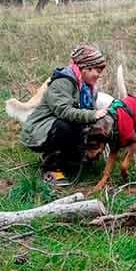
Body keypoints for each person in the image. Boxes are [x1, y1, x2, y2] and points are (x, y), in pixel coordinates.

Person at [20, 45, 107, 179]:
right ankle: (51, 168)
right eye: (97, 70)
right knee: (64, 127)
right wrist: (92, 115)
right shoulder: (63, 82)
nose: (99, 75)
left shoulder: (88, 89)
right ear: (85, 68)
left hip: (55, 126)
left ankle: (71, 161)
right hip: (40, 130)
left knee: (89, 126)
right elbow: (64, 111)